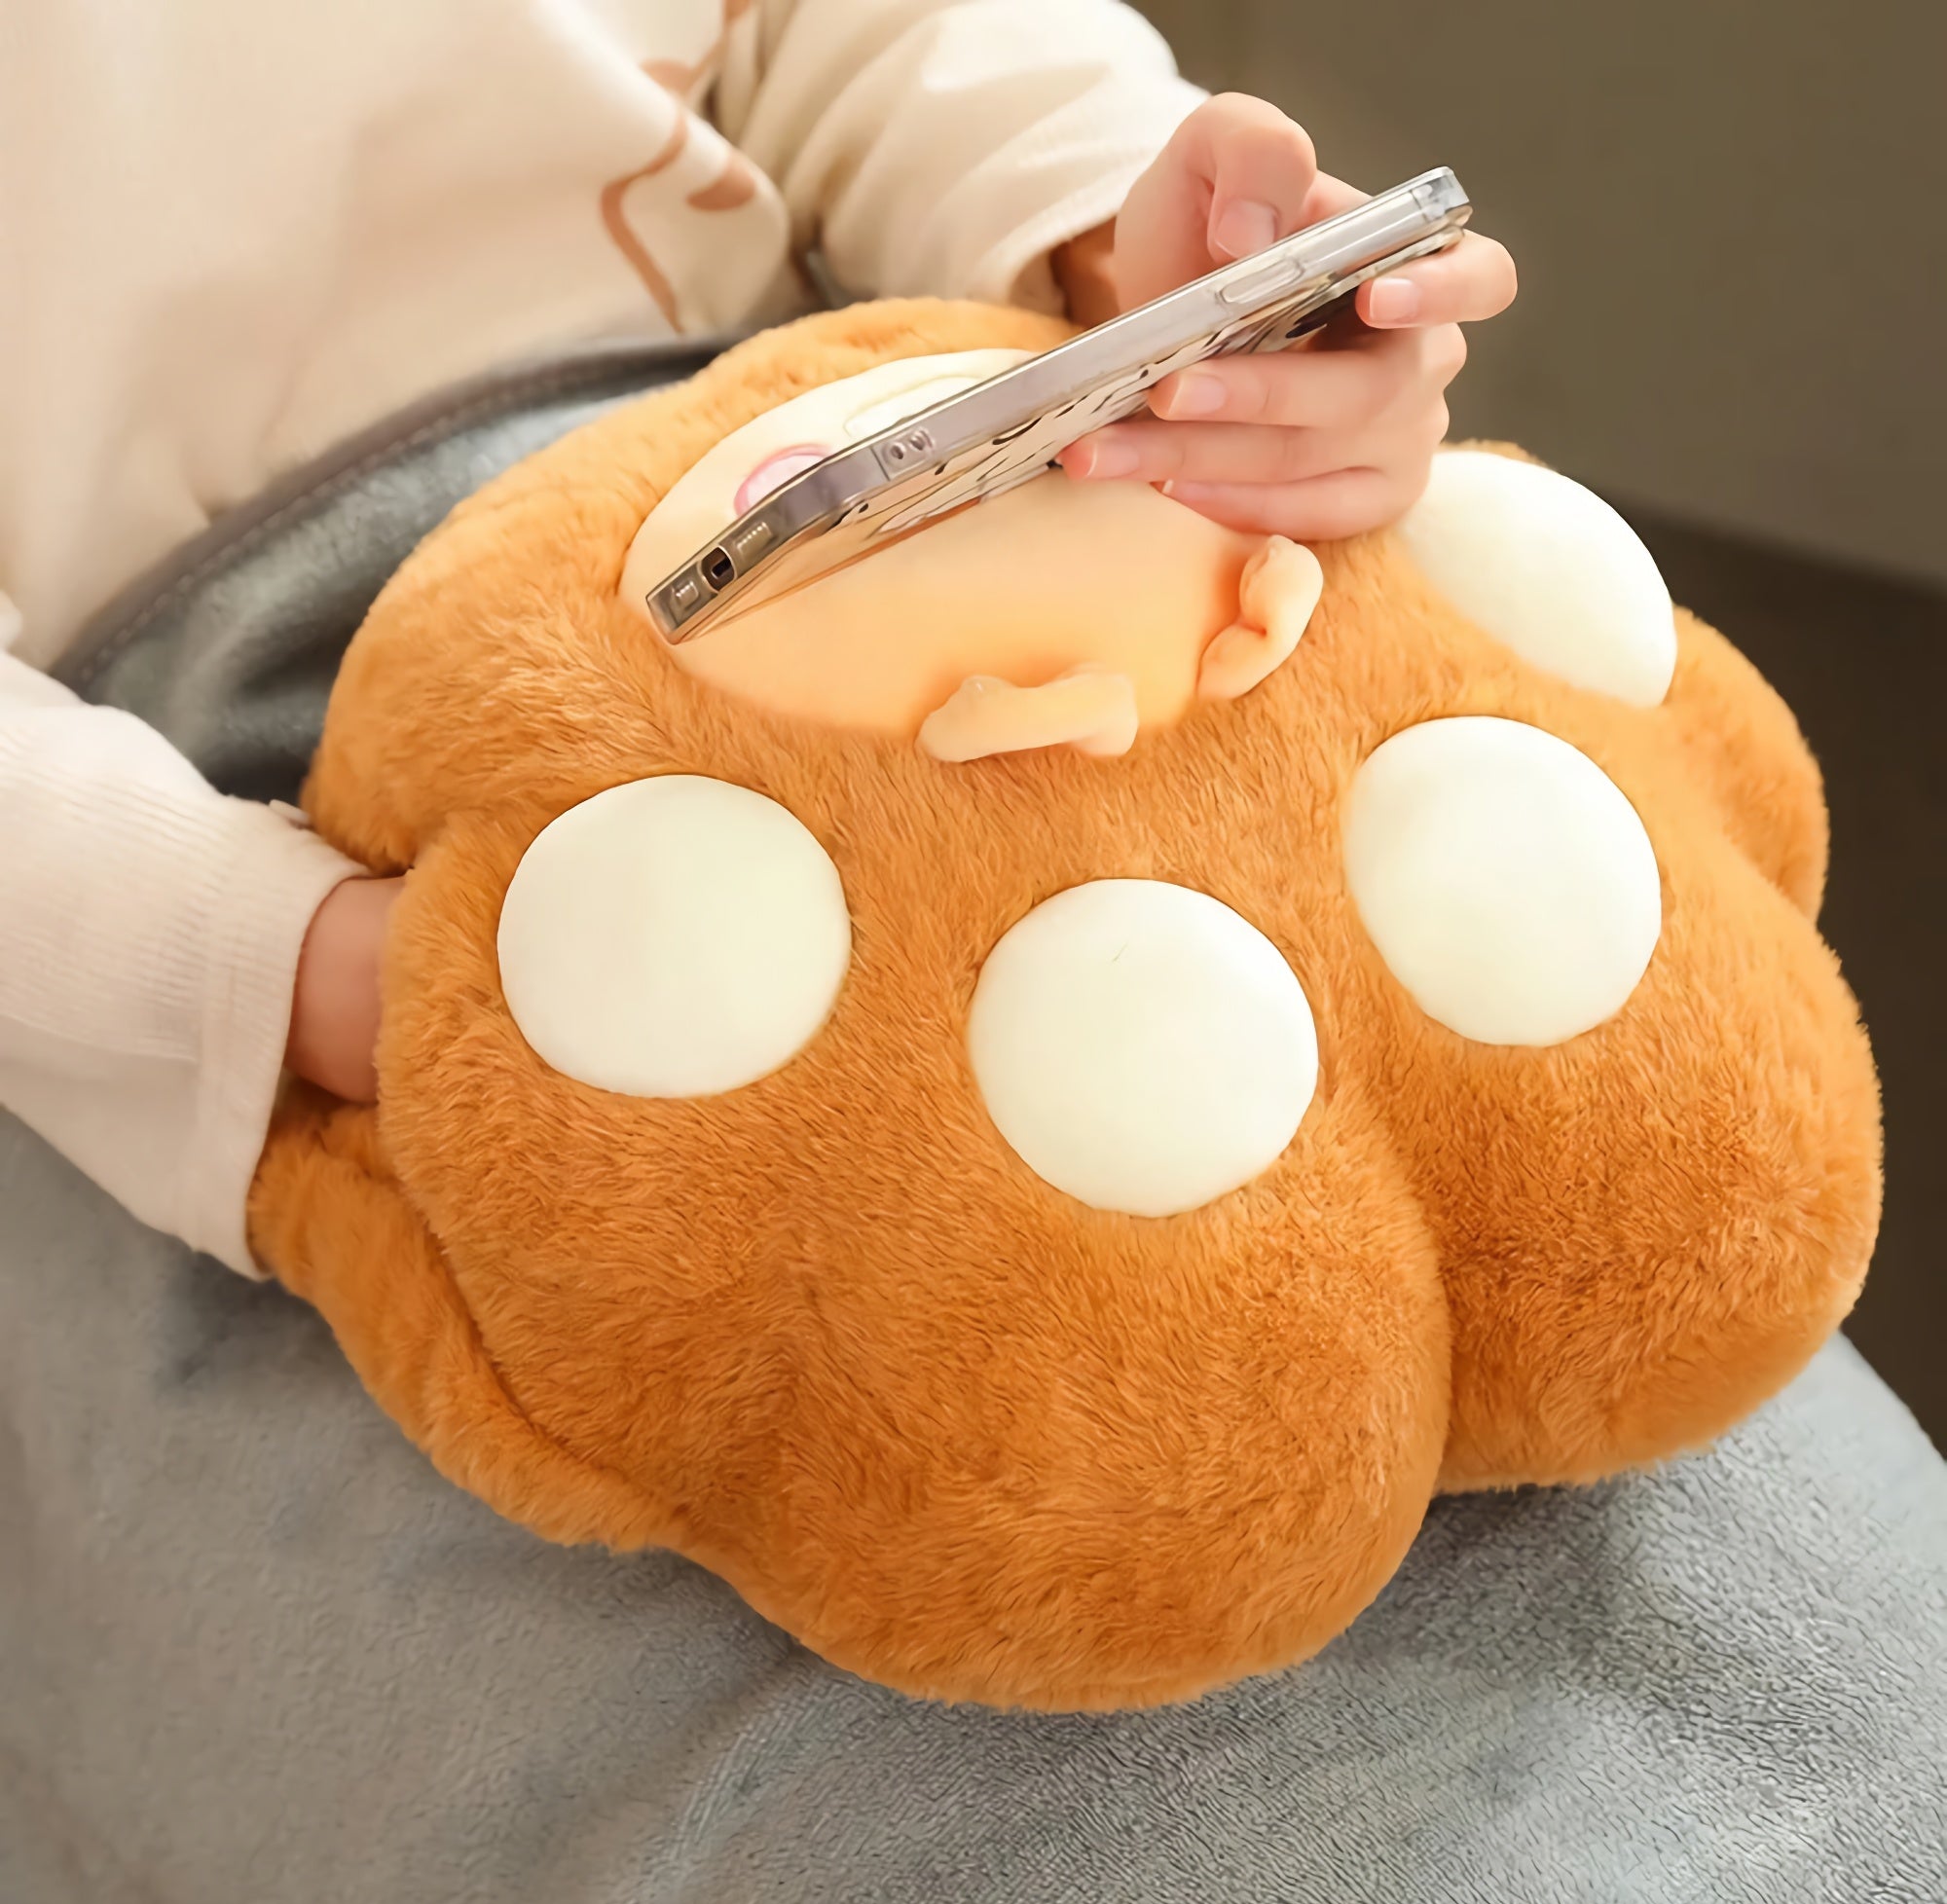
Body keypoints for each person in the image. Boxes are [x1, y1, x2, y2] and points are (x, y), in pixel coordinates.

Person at [0, 0, 1515, 1277]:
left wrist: (1156, 278)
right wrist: (305, 974)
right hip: (222, 805)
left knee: (1510, 1123)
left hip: (850, 455)